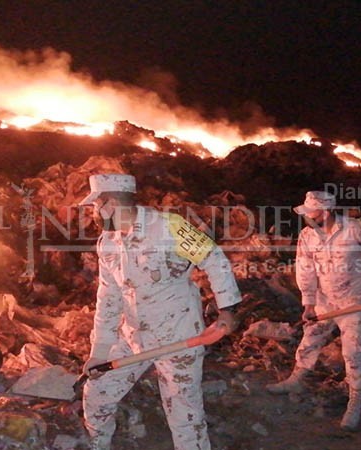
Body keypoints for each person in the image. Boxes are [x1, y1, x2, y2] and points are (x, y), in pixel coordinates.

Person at [78, 173, 242, 450]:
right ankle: (96, 445)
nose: (94, 213)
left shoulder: (169, 227)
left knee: (185, 416)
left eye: (96, 205)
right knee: (97, 393)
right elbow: (108, 296)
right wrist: (100, 351)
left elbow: (214, 259)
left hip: (177, 337)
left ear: (110, 203)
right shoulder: (107, 242)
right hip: (132, 338)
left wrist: (227, 310)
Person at [266, 191, 361, 430]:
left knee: (354, 350)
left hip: (354, 301)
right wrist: (309, 303)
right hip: (324, 300)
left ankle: (355, 400)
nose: (307, 217)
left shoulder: (354, 227)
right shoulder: (307, 236)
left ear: (326, 211)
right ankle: (296, 379)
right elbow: (305, 270)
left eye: (311, 212)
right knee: (311, 338)